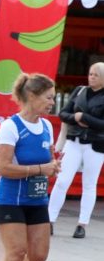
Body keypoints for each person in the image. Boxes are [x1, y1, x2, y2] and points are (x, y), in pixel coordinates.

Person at [0, 72, 57, 261]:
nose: (52, 102)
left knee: (39, 255)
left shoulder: (47, 126)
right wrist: (41, 168)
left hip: (38, 199)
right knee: (17, 252)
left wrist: (53, 167)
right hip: (11, 199)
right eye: (48, 97)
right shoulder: (11, 126)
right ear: (32, 96)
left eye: (53, 98)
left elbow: (48, 161)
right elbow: (3, 167)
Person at [48, 61, 104, 239]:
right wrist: (75, 117)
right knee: (62, 180)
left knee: (89, 184)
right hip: (74, 141)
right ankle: (49, 219)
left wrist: (84, 117)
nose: (91, 77)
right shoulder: (80, 90)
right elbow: (63, 113)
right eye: (90, 73)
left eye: (95, 74)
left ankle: (82, 224)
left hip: (96, 145)